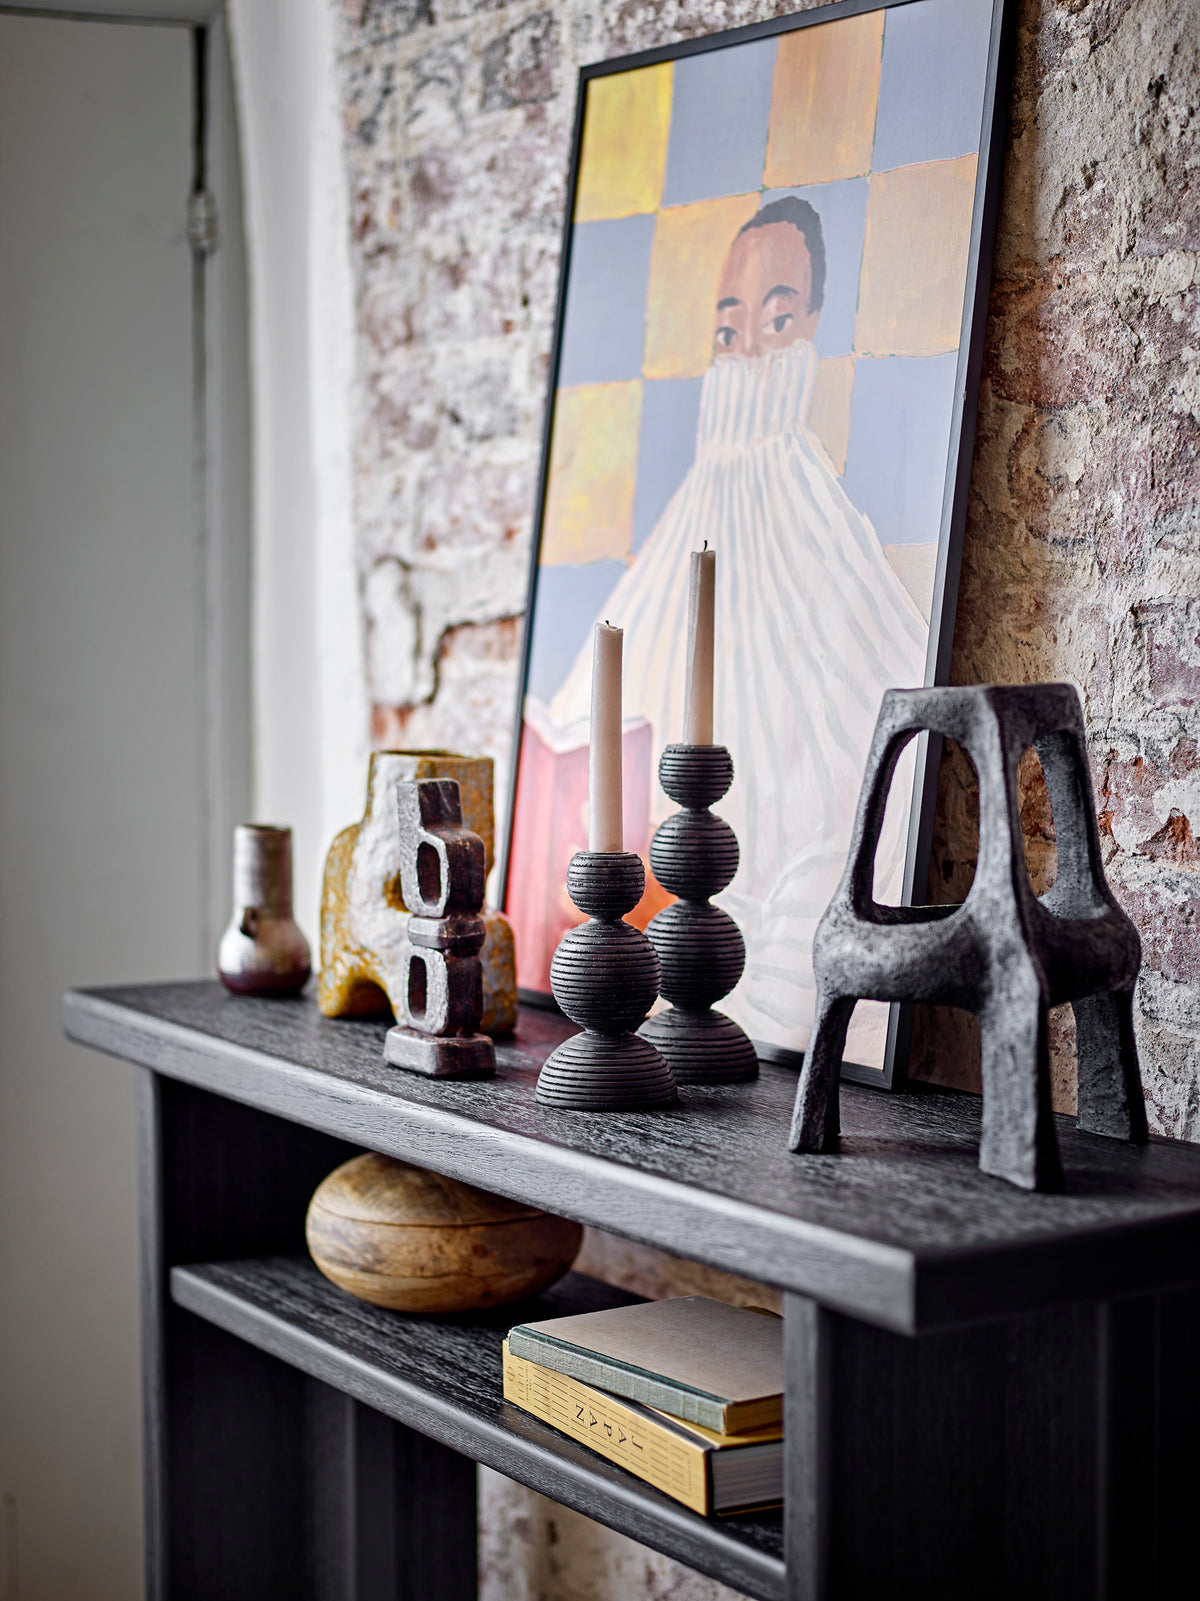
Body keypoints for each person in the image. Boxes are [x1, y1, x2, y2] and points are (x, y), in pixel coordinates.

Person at [529, 197, 929, 1064]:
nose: (749, 348)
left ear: (815, 325)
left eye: (779, 319)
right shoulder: (664, 564)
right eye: (729, 327)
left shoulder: (831, 546)